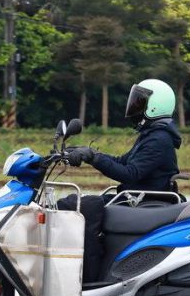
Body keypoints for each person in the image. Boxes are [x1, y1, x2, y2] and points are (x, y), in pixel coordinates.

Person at [57, 78, 183, 282]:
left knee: (85, 208)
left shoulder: (159, 140)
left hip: (142, 203)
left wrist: (93, 158)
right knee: (74, 204)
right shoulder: (150, 135)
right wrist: (89, 153)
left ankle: (90, 276)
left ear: (154, 107)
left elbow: (129, 173)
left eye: (140, 101)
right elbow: (121, 161)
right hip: (135, 199)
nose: (134, 105)